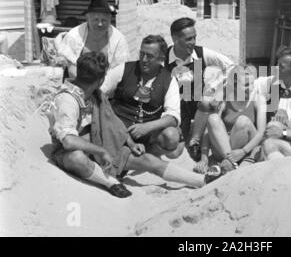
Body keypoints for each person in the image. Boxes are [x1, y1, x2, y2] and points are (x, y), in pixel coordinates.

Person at [101, 35, 220, 187]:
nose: (144, 59)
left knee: (171, 136)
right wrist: (114, 125)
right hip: (116, 132)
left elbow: (173, 117)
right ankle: (200, 181)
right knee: (149, 162)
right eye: (142, 54)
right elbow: (100, 92)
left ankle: (143, 156)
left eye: (149, 56)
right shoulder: (124, 69)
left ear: (161, 58)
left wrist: (146, 127)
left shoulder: (168, 80)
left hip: (144, 136)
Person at [50, 51, 132, 198]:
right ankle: (110, 182)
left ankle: (188, 179)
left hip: (95, 142)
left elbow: (111, 122)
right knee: (77, 158)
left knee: (145, 161)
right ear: (101, 80)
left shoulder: (94, 94)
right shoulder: (67, 99)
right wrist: (100, 151)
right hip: (67, 150)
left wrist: (130, 142)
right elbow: (68, 141)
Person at [166, 17, 235, 161]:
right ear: (175, 38)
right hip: (174, 108)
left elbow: (231, 66)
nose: (193, 42)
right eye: (188, 39)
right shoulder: (164, 58)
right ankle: (183, 132)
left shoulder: (201, 53)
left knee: (206, 101)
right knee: (173, 151)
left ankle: (195, 141)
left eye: (194, 38)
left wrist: (216, 90)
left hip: (197, 105)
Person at [193, 65, 267, 173]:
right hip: (225, 149)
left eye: (252, 84)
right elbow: (209, 130)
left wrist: (243, 151)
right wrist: (204, 157)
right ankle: (231, 163)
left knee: (243, 121)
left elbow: (261, 132)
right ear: (235, 86)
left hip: (245, 148)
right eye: (246, 85)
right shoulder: (226, 98)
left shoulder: (258, 99)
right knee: (212, 118)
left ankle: (229, 164)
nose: (251, 88)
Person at [57, 0, 129, 78]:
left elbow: (117, 70)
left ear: (110, 19)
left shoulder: (119, 39)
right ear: (87, 18)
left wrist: (101, 89)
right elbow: (71, 67)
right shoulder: (73, 36)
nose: (100, 24)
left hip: (107, 86)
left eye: (104, 20)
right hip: (79, 84)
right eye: (96, 20)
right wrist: (85, 87)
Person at [253, 46, 291, 122]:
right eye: (277, 64)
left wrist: (287, 115)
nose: (275, 68)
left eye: (281, 67)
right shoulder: (270, 82)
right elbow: (246, 87)